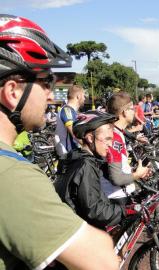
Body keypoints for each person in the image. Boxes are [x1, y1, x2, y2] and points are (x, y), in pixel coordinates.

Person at [0, 14, 117, 270]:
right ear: (12, 92)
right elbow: (102, 261)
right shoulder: (12, 176)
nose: (51, 94)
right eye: (45, 81)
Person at [54, 111, 135, 229]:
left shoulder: (75, 156)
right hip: (77, 229)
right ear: (91, 138)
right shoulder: (86, 166)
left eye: (111, 139)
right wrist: (125, 211)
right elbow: (95, 210)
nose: (111, 144)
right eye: (107, 139)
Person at [104, 91, 151, 200]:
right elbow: (116, 179)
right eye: (132, 109)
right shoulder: (114, 138)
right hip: (117, 196)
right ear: (124, 112)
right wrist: (137, 175)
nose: (134, 112)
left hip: (119, 193)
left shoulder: (115, 130)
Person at [54, 84, 85, 159]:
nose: (84, 98)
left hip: (71, 152)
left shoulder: (71, 111)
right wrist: (87, 146)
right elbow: (74, 132)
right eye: (83, 96)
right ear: (78, 96)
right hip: (68, 154)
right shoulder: (67, 110)